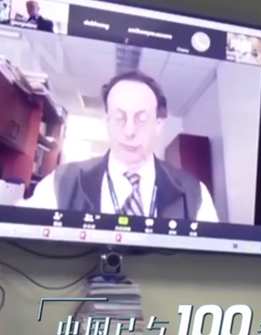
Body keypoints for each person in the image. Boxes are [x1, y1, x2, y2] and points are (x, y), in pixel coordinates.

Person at [19, 71, 220, 222]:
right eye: (118, 117)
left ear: (158, 125)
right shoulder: (62, 181)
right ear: (106, 121)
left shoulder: (194, 194)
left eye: (142, 119)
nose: (129, 131)